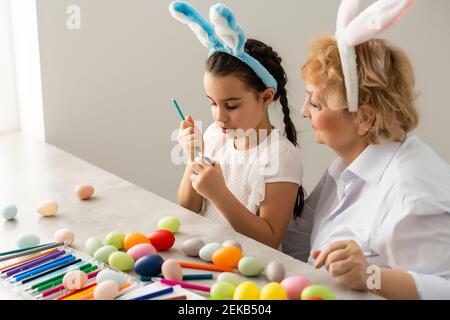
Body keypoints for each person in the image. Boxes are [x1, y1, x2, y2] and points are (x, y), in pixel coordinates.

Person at [282, 0, 450, 299]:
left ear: (364, 118)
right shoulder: (348, 165)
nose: (304, 111)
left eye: (316, 103)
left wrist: (371, 276)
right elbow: (298, 242)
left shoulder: (412, 196)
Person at [171, 2, 304, 249]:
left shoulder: (281, 155)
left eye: (231, 106)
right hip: (203, 256)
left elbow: (269, 238)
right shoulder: (214, 136)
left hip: (247, 271)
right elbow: (188, 209)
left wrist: (218, 194)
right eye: (212, 103)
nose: (219, 117)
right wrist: (193, 158)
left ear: (266, 97)